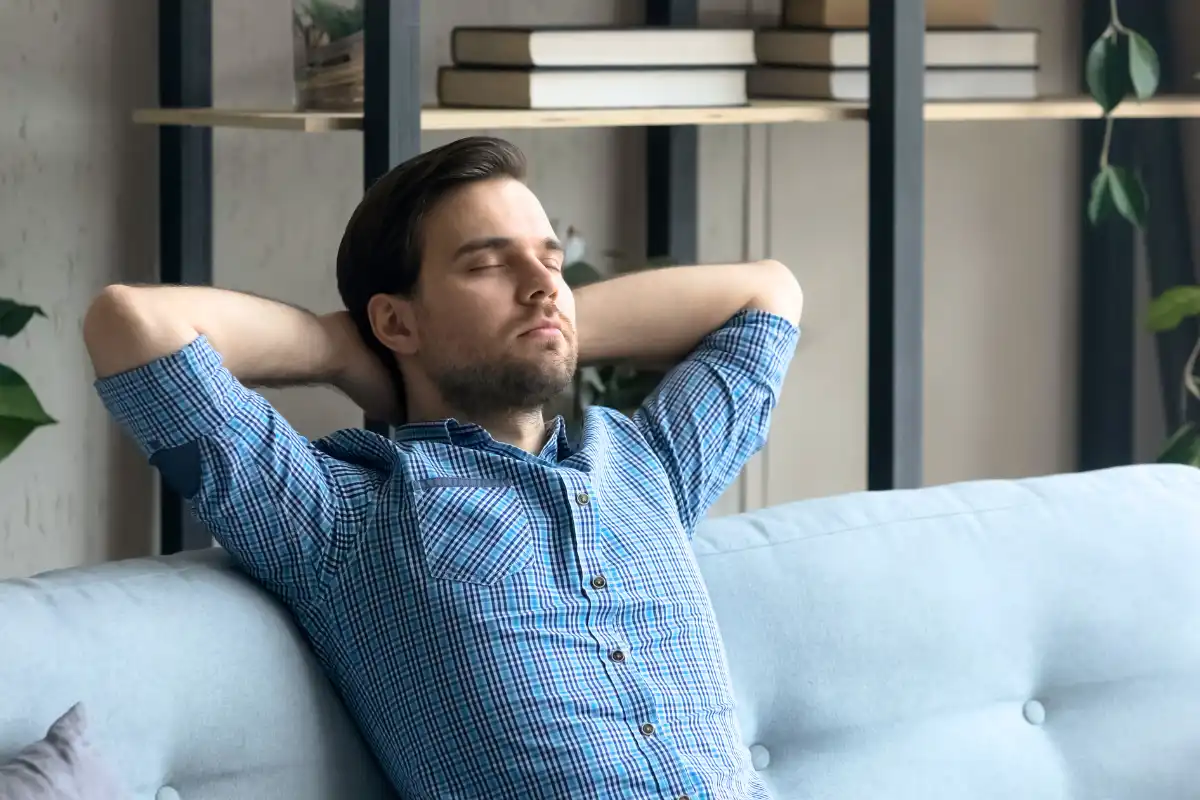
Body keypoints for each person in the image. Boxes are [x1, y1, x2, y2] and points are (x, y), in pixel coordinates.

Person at [83, 135, 802, 800]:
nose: (543, 284)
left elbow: (769, 295)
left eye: (550, 260)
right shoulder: (344, 515)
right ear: (396, 321)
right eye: (489, 264)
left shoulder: (648, 469)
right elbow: (132, 325)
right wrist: (345, 351)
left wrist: (550, 329)